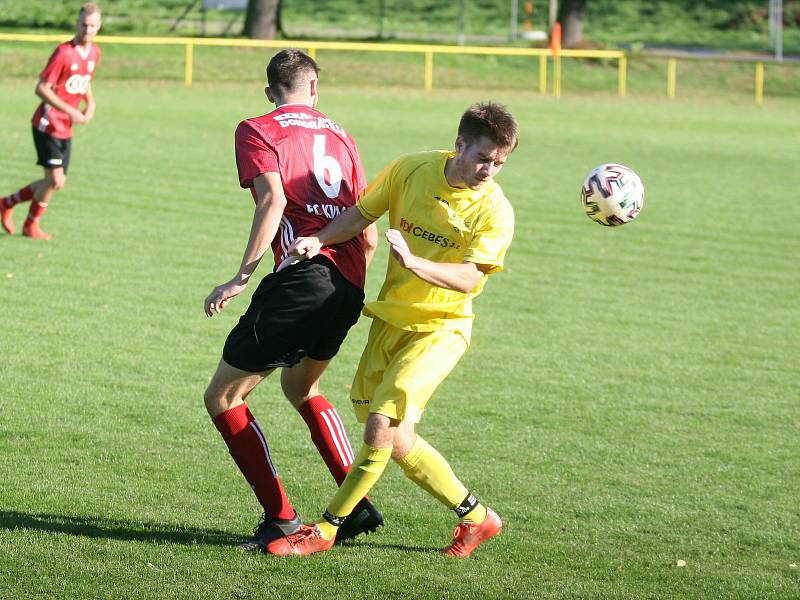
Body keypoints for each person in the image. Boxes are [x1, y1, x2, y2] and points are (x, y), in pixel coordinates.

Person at [266, 101, 518, 558]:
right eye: (484, 158)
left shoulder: (496, 211)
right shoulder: (410, 170)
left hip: (442, 329)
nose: (490, 170)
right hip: (391, 320)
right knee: (397, 438)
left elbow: (471, 278)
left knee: (381, 426)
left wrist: (416, 262)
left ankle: (326, 528)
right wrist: (319, 239)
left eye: (499, 162)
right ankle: (478, 518)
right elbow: (361, 213)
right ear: (459, 143)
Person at [202, 49, 382, 551]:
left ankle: (280, 519)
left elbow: (273, 199)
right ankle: (357, 505)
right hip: (347, 282)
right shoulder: (342, 135)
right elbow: (364, 221)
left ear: (269, 92)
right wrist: (353, 286)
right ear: (314, 90)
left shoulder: (259, 128)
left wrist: (240, 277)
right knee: (301, 386)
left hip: (302, 279)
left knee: (223, 397)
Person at [0, 3, 102, 240]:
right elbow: (42, 88)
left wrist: (91, 103)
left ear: (99, 27)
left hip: (65, 126)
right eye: (84, 25)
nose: (87, 30)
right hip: (47, 123)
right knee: (54, 180)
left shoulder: (95, 52)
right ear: (77, 24)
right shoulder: (64, 52)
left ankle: (6, 203)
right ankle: (30, 225)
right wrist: (71, 111)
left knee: (56, 182)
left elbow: (84, 81)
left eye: (92, 26)